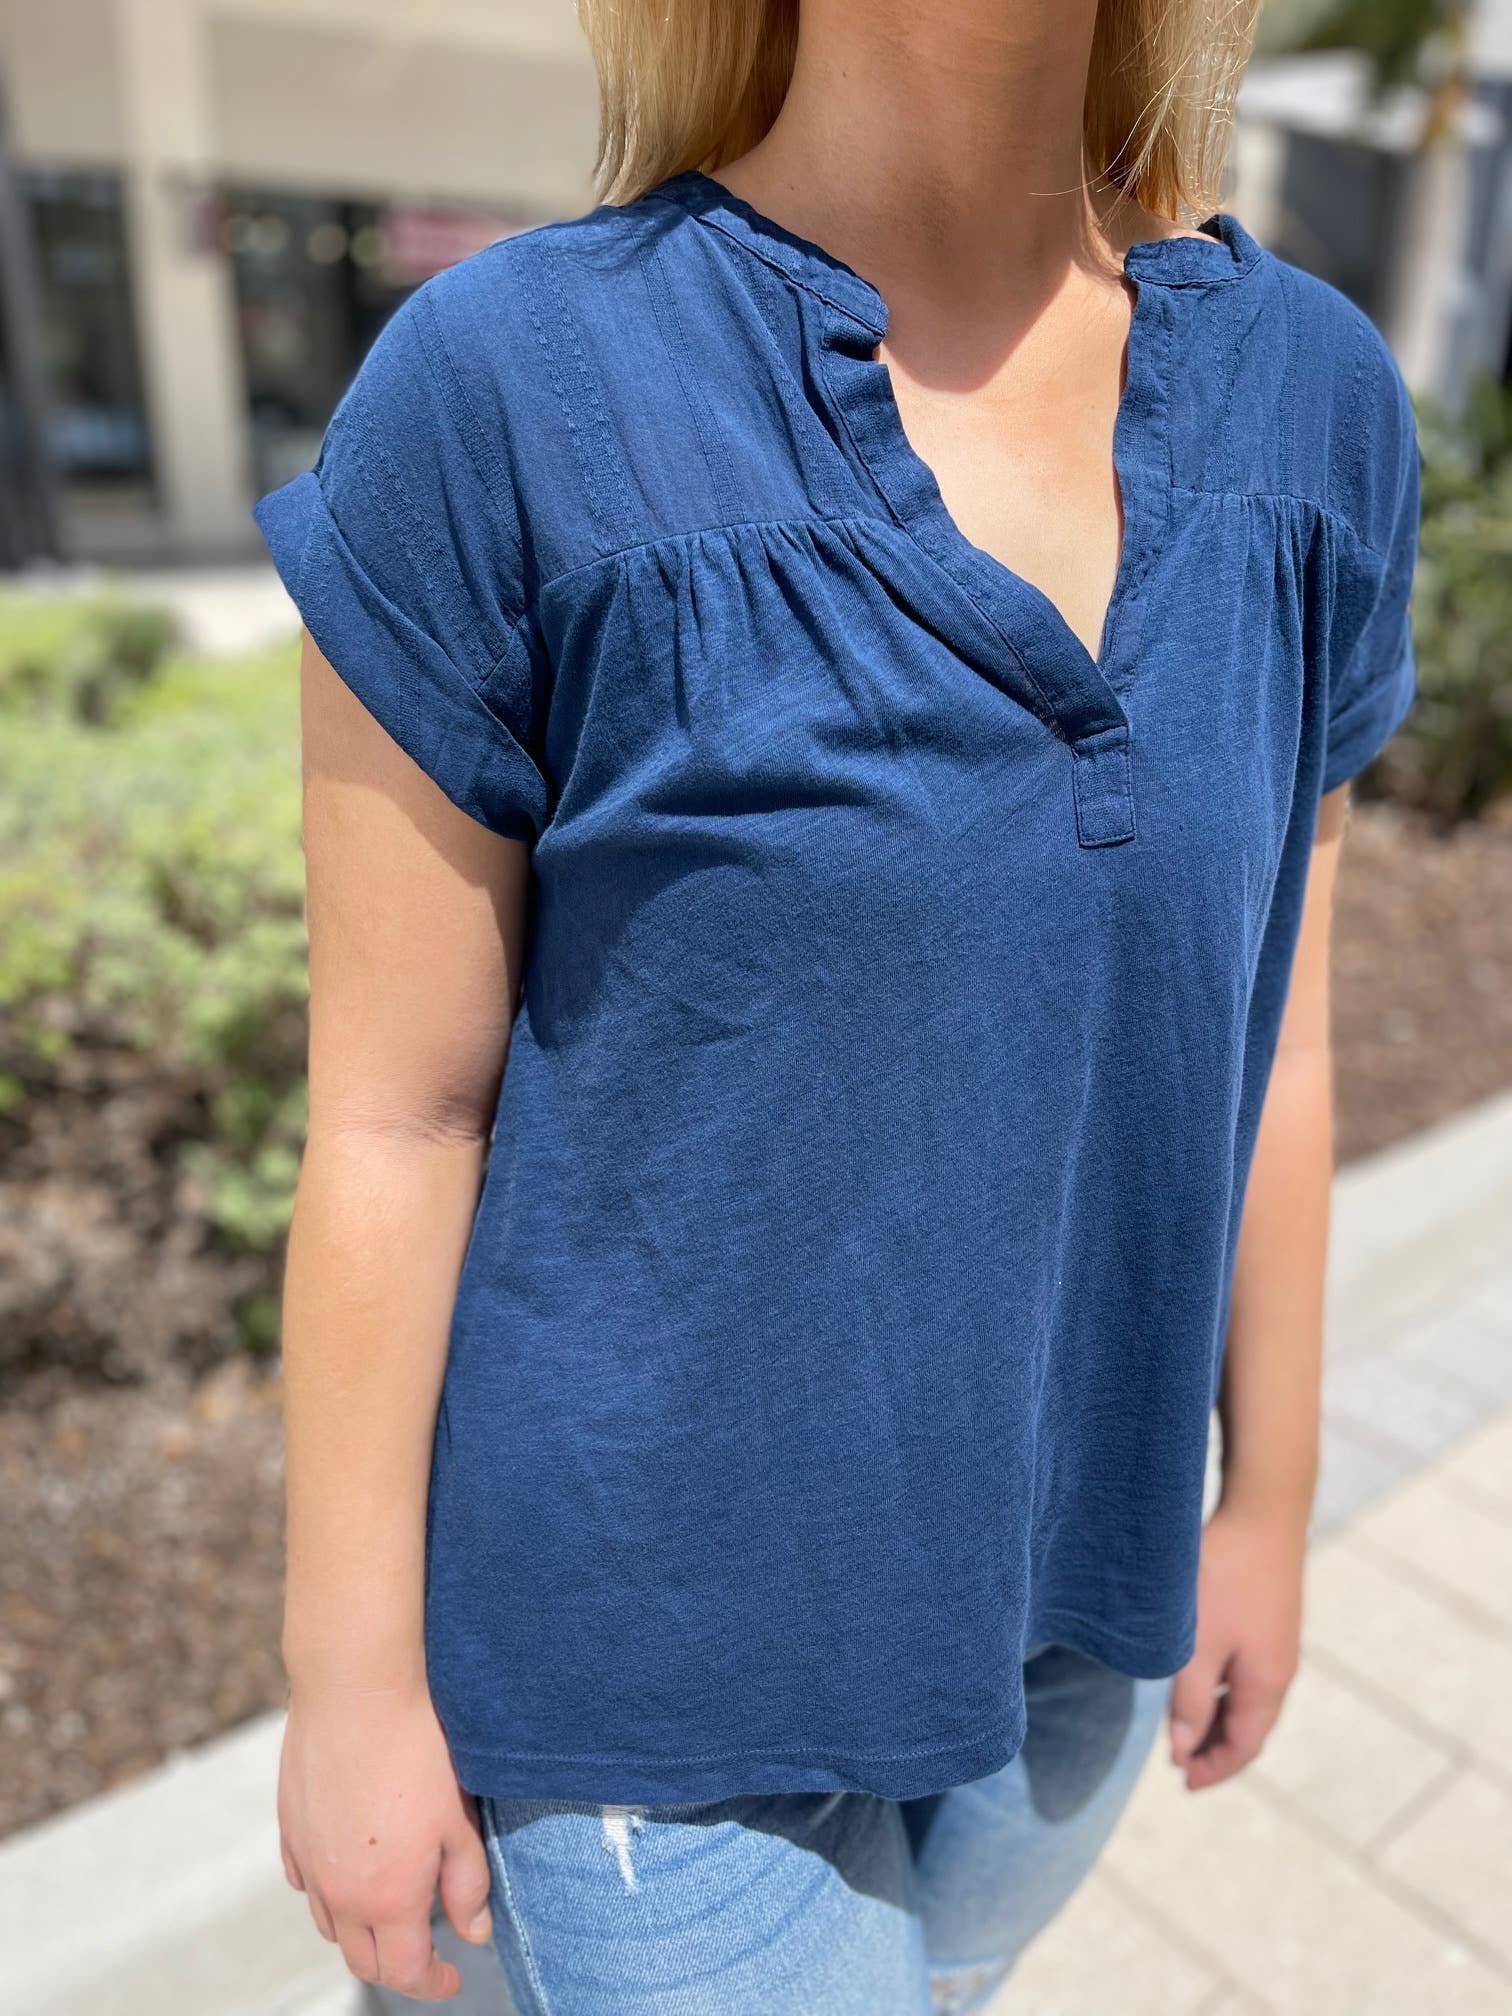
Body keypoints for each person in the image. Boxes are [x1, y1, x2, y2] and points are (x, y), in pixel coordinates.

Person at [254, 0, 1422, 2008]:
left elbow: (1277, 1033)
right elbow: (395, 1115)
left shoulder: (1316, 407)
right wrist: (347, 1683)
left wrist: (1271, 1500)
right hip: (646, 1683)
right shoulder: (512, 387)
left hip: (1077, 1617)